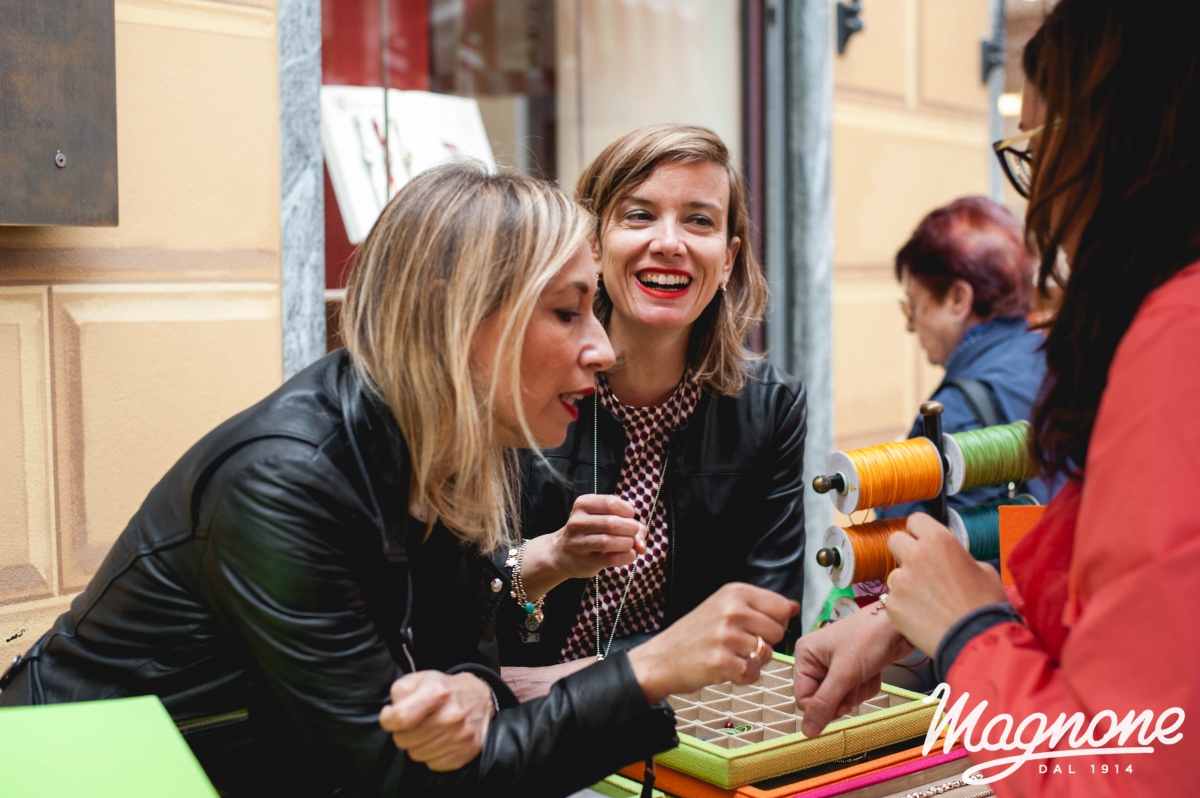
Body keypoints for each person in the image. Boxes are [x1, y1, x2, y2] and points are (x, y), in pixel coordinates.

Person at [0, 163, 799, 797]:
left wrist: (476, 690)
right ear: (460, 320)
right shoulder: (285, 484)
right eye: (567, 312)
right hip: (84, 773)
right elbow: (401, 779)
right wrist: (648, 668)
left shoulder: (466, 440)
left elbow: (466, 654)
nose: (601, 347)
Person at [792, 1, 1200, 794]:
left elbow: (1120, 771)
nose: (1036, 196)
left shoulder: (1175, 343)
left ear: (1119, 138)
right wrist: (918, 615)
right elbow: (1127, 598)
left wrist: (965, 629)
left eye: (1039, 149)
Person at [495, 125, 806, 698]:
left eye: (699, 221)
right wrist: (548, 558)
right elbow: (451, 598)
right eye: (639, 216)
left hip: (681, 722)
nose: (669, 243)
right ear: (593, 246)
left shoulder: (771, 409)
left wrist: (585, 679)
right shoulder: (521, 383)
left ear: (729, 259)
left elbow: (769, 628)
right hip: (517, 721)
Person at [875, 195, 1051, 520]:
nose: (911, 325)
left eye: (914, 306)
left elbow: (910, 538)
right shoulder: (1055, 361)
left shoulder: (955, 415)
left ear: (957, 300)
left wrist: (893, 474)